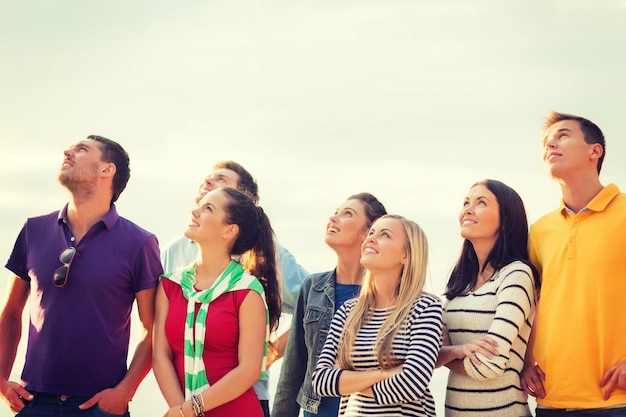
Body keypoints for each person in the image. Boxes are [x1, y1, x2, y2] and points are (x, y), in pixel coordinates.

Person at [0, 136, 163, 416]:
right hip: (34, 402)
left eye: (82, 149)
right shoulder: (33, 230)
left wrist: (126, 391)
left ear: (106, 170)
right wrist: (1, 381)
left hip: (100, 406)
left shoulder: (140, 243)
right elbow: (11, 312)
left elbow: (154, 328)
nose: (68, 151)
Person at [160, 160, 308, 416]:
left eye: (208, 208)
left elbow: (249, 368)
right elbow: (160, 353)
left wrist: (271, 350)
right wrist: (180, 410)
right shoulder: (170, 282)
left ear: (230, 229)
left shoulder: (250, 288)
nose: (196, 211)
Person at [520, 111, 626, 416]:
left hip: (616, 401)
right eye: (546, 141)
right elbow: (533, 305)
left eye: (563, 135)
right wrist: (526, 364)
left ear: (595, 151)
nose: (550, 143)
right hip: (552, 400)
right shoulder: (541, 230)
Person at [311, 214, 444, 417]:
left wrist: (348, 381)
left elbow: (413, 382)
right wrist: (386, 373)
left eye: (385, 235)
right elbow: (321, 381)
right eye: (371, 233)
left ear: (406, 255)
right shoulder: (348, 311)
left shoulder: (425, 307)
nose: (370, 239)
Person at [271, 192, 387, 417]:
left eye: (347, 214)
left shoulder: (389, 293)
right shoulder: (312, 287)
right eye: (335, 212)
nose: (333, 218)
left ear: (367, 234)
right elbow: (293, 371)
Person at [436, 179, 539, 417]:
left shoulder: (516, 274)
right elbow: (430, 352)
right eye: (466, 202)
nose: (468, 209)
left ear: (505, 220)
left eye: (481, 202)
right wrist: (457, 351)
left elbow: (488, 366)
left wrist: (445, 353)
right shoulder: (460, 280)